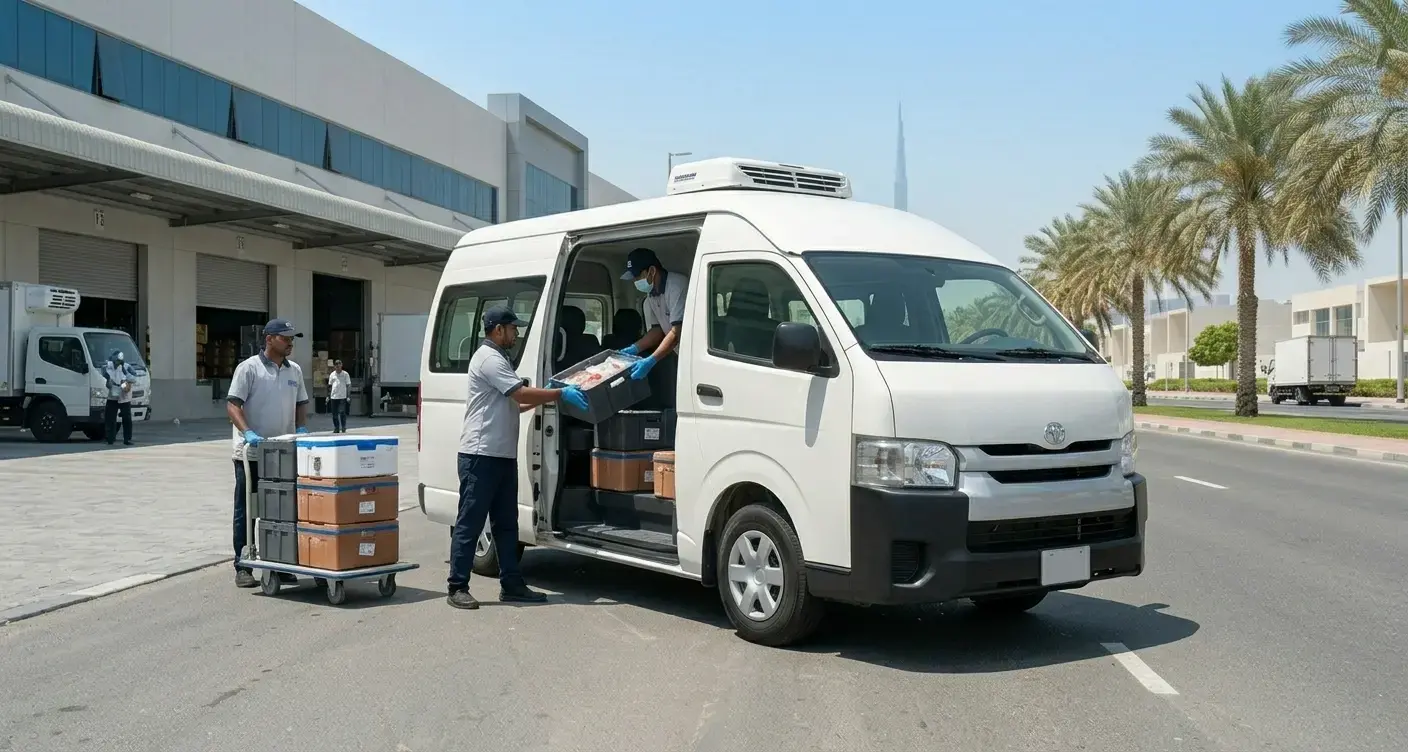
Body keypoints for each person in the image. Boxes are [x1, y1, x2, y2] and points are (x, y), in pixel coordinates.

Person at [448, 306, 590, 610]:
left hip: (500, 456)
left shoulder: (501, 360)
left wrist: (547, 394)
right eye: (513, 328)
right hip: (480, 454)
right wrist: (557, 394)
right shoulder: (489, 359)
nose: (516, 333)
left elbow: (516, 403)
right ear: (498, 329)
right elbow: (521, 395)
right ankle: (457, 586)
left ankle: (511, 584)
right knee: (470, 522)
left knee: (507, 524)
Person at [226, 319, 311, 589]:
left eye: (291, 339)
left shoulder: (294, 371)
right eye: (285, 338)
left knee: (282, 510)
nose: (290, 343)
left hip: (283, 452)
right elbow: (233, 405)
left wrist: (301, 428)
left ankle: (280, 561)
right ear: (269, 338)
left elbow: (301, 403)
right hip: (252, 452)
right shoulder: (249, 368)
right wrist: (248, 431)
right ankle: (244, 563)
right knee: (248, 508)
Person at [617, 247, 688, 381]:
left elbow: (677, 331)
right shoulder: (651, 294)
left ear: (652, 271)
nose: (635, 281)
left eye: (637, 276)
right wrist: (634, 349)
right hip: (679, 353)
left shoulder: (676, 286)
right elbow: (658, 330)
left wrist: (651, 360)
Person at [101, 350, 137, 446]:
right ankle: (110, 438)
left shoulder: (127, 367)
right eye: (114, 361)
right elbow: (103, 372)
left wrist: (125, 375)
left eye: (118, 362)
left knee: (127, 418)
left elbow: (134, 378)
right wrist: (108, 380)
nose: (116, 364)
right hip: (112, 394)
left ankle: (127, 439)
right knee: (110, 418)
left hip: (124, 396)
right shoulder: (109, 366)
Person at [328, 359, 351, 433]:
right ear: (334, 366)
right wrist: (328, 396)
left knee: (342, 412)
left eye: (339, 364)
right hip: (334, 396)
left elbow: (348, 385)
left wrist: (348, 396)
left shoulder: (345, 374)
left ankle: (343, 427)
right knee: (334, 414)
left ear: (341, 365)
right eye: (336, 364)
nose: (338, 365)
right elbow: (330, 386)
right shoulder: (332, 374)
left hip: (342, 397)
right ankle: (336, 428)